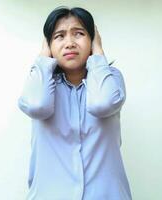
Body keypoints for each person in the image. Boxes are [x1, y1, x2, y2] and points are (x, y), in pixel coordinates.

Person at [18, 6, 132, 200]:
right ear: (48, 45)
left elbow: (102, 104)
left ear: (92, 40)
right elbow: (38, 106)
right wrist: (44, 58)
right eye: (59, 36)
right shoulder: (41, 82)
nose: (69, 43)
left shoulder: (110, 78)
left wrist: (98, 55)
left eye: (79, 34)